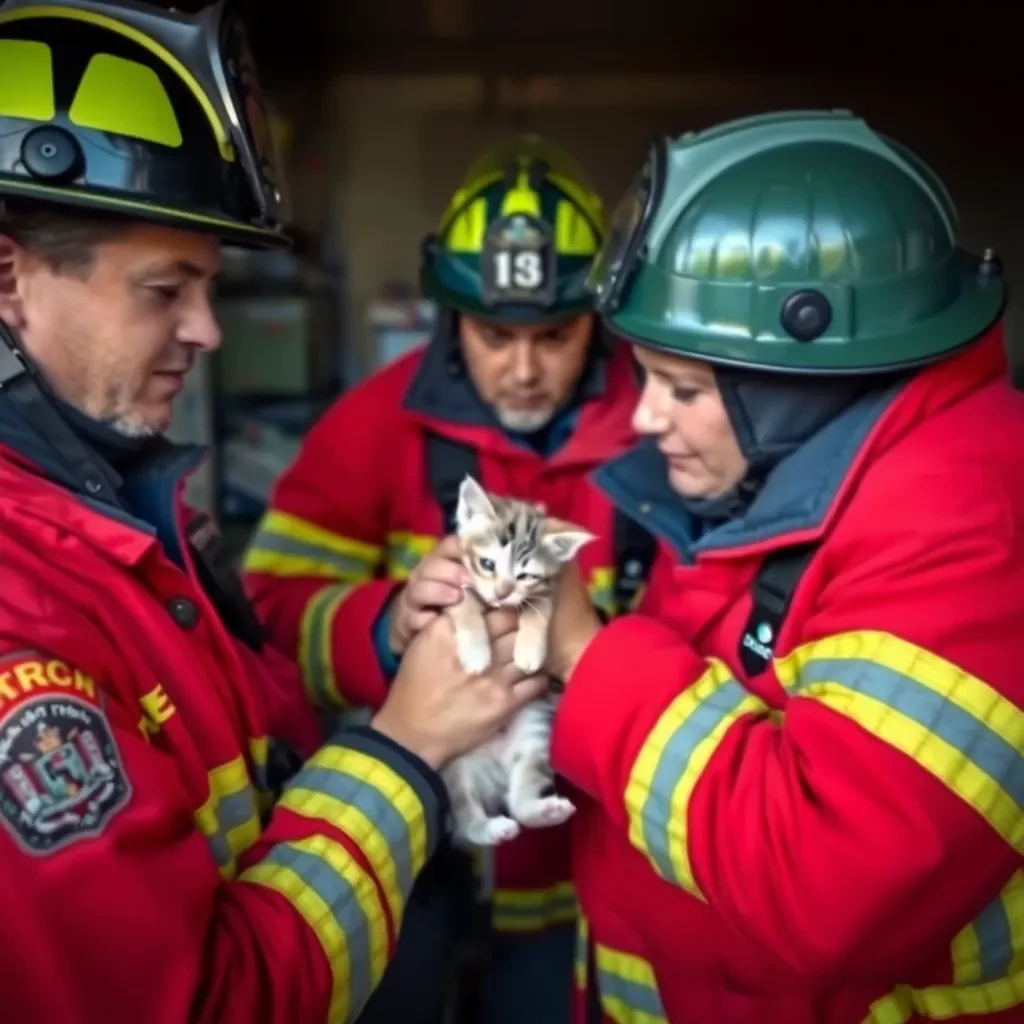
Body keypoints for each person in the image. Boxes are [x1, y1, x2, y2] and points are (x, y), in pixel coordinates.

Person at [0, 2, 546, 1021]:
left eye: (208, 287)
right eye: (166, 289)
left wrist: (387, 632)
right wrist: (408, 745)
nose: (208, 329)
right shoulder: (25, 616)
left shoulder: (118, 507)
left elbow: (252, 708)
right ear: (7, 277)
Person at [522, 109, 1023, 1023]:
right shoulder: (781, 481)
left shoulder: (968, 527)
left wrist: (587, 655)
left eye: (681, 388)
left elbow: (832, 884)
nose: (642, 419)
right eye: (644, 379)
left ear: (804, 382)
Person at [243, 136, 651, 1023]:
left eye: (557, 335)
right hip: (404, 869)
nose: (525, 368)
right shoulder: (372, 424)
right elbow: (265, 613)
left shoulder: (668, 433)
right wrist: (387, 624)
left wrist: (594, 642)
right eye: (496, 335)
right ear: (449, 318)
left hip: (584, 881)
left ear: (603, 317)